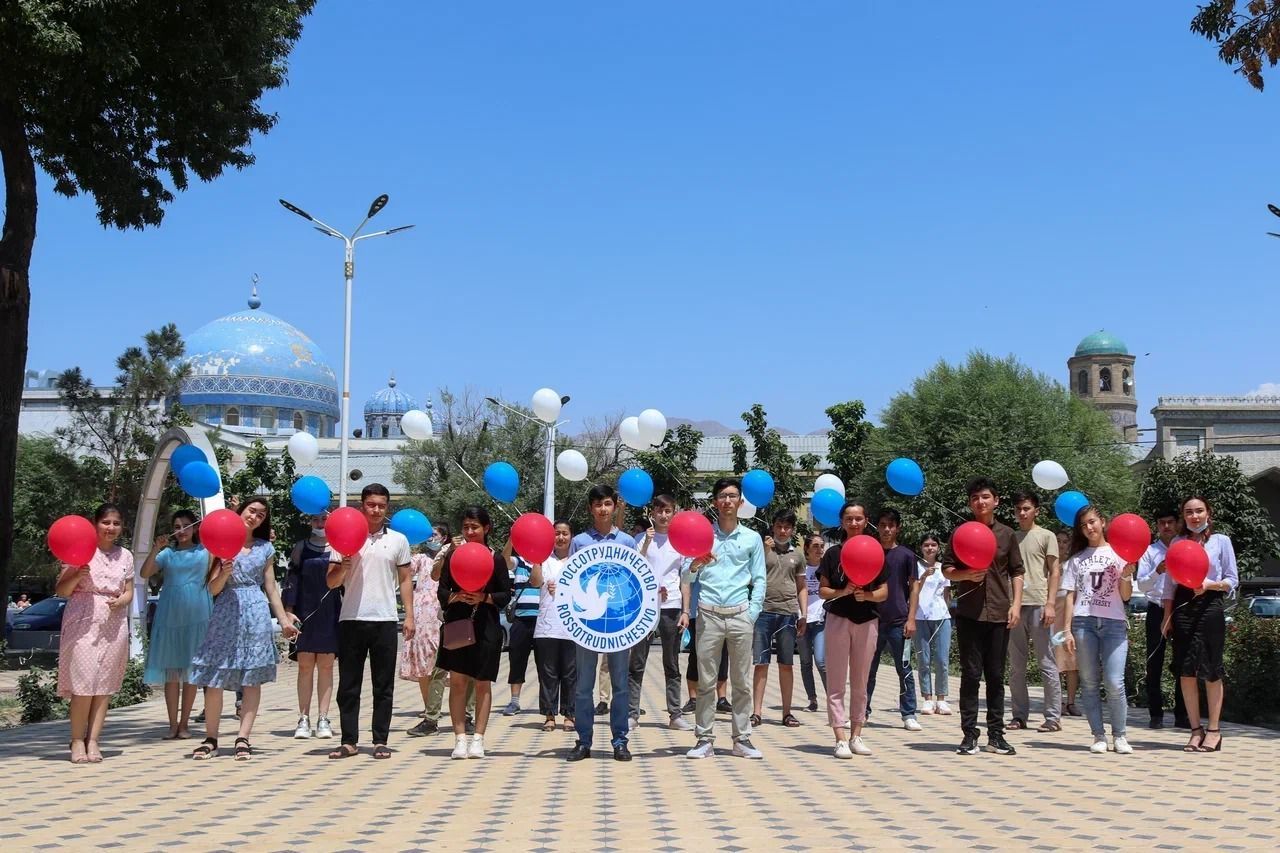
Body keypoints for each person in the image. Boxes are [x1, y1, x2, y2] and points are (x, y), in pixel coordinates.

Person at [189, 498, 298, 761]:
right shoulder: (220, 543)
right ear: (240, 511)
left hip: (256, 612)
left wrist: (283, 619)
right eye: (252, 511)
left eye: (261, 515)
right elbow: (212, 589)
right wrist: (225, 573)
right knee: (214, 676)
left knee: (251, 678)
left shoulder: (265, 548)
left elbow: (271, 587)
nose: (255, 517)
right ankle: (211, 738)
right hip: (226, 611)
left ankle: (243, 737)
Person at [325, 484, 414, 760]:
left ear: (387, 508)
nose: (376, 510)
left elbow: (405, 579)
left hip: (385, 620)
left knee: (383, 685)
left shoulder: (398, 540)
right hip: (351, 618)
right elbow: (331, 582)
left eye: (382, 506)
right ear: (361, 505)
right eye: (371, 504)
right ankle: (349, 740)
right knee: (348, 685)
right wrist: (343, 567)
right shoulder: (343, 536)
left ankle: (380, 740)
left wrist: (409, 615)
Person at [679, 478, 766, 760]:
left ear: (741, 502)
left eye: (732, 496)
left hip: (741, 615)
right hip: (708, 615)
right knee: (706, 681)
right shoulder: (702, 537)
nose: (727, 501)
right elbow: (685, 577)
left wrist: (752, 613)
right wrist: (695, 564)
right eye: (722, 496)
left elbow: (760, 580)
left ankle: (742, 739)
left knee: (741, 681)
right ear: (715, 502)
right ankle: (704, 739)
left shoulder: (752, 538)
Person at [942, 476, 1024, 757]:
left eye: (986, 497)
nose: (981, 502)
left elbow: (1016, 571)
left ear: (996, 501)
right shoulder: (961, 533)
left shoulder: (1007, 534)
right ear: (970, 503)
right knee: (970, 675)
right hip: (969, 614)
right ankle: (969, 734)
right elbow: (947, 569)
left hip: (1000, 613)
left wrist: (1016, 605)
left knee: (996, 676)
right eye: (975, 498)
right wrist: (965, 574)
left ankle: (996, 735)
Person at [56, 503, 134, 764]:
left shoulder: (126, 556)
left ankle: (94, 740)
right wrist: (78, 573)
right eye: (106, 522)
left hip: (114, 623)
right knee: (83, 685)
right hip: (83, 620)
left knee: (103, 686)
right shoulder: (81, 549)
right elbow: (62, 591)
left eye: (116, 523)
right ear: (95, 524)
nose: (111, 528)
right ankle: (77, 740)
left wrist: (123, 600)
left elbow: (129, 590)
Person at [567, 485, 638, 762]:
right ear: (590, 508)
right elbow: (572, 581)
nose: (603, 509)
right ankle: (583, 740)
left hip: (619, 624)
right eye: (597, 504)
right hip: (588, 624)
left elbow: (636, 582)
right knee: (584, 686)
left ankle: (620, 741)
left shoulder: (628, 542)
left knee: (620, 684)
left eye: (607, 503)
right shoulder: (580, 542)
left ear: (615, 506)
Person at [437, 507, 512, 760]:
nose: (470, 532)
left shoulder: (496, 558)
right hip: (459, 624)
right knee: (457, 682)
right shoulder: (454, 555)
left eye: (475, 527)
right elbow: (442, 590)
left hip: (487, 626)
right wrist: (456, 596)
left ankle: (478, 738)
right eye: (466, 527)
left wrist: (485, 597)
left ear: (486, 529)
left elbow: (505, 595)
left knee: (482, 683)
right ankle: (459, 738)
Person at [1165, 495, 1237, 754]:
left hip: (1210, 604)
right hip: (1184, 606)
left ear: (1208, 513)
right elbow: (1169, 585)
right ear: (1183, 517)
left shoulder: (1221, 542)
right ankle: (1195, 730)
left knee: (1211, 669)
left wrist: (1209, 584)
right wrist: (1166, 616)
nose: (1194, 516)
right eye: (1188, 512)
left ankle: (1214, 731)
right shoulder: (1177, 542)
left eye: (1199, 511)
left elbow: (1232, 579)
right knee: (1185, 670)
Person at [1061, 505, 1135, 754]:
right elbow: (1069, 597)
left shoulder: (1120, 553)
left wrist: (1126, 576)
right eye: (1083, 525)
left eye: (1092, 522)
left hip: (1114, 623)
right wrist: (1067, 630)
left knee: (1115, 682)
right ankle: (1098, 735)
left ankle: (1120, 735)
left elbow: (1125, 597)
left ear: (1103, 522)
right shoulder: (1076, 559)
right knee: (1090, 682)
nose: (1089, 528)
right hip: (1084, 623)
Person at [817, 501, 887, 759]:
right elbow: (823, 591)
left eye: (858, 518)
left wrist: (866, 595)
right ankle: (839, 736)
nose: (854, 523)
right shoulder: (833, 554)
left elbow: (883, 592)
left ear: (866, 520)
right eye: (849, 518)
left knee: (861, 681)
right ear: (842, 522)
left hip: (867, 621)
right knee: (836, 681)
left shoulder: (875, 551)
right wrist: (843, 592)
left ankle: (857, 734)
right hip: (838, 619)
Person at [141, 509, 213, 740]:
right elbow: (144, 572)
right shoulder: (168, 554)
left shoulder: (205, 551)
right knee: (172, 673)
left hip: (198, 613)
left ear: (195, 527)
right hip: (170, 614)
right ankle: (172, 724)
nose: (181, 530)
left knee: (190, 672)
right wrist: (155, 548)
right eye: (176, 526)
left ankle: (184, 725)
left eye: (185, 525)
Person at [630, 495, 692, 731]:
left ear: (674, 513)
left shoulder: (681, 542)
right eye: (659, 511)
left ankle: (675, 714)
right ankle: (632, 713)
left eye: (668, 511)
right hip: (644, 608)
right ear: (652, 513)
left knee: (672, 662)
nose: (664, 516)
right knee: (636, 663)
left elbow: (685, 578)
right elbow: (635, 567)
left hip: (672, 607)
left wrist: (686, 610)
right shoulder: (640, 538)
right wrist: (645, 542)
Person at [283, 514, 341, 740]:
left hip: (330, 612)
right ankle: (303, 718)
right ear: (309, 522)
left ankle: (323, 718)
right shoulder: (300, 547)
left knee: (326, 666)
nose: (320, 524)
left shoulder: (338, 548)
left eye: (324, 520)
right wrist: (288, 610)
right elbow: (291, 580)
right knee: (305, 667)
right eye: (316, 520)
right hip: (304, 612)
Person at [1008, 491, 1062, 733]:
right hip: (1015, 606)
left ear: (1036, 511)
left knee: (1046, 663)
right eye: (1019, 508)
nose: (1022, 513)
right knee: (1016, 666)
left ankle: (1052, 717)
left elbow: (1054, 571)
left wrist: (1051, 603)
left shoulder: (1046, 536)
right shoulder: (1011, 536)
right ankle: (1019, 715)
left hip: (1040, 604)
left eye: (1027, 508)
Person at [750, 510, 807, 728]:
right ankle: (756, 713)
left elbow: (802, 587)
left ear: (792, 529)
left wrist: (804, 614)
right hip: (764, 612)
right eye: (779, 526)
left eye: (787, 527)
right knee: (761, 663)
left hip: (788, 612)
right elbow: (753, 575)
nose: (783, 531)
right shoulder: (762, 549)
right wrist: (765, 548)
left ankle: (786, 713)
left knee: (786, 664)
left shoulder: (798, 555)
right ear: (772, 526)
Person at [865, 508, 920, 731]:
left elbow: (914, 587)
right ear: (877, 526)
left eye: (891, 525)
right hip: (872, 620)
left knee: (904, 668)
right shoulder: (870, 551)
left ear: (898, 528)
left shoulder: (906, 555)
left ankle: (908, 713)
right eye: (883, 524)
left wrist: (912, 618)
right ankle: (862, 711)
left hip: (899, 621)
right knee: (867, 670)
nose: (887, 529)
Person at [1135, 508, 1188, 729]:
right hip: (1157, 608)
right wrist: (1157, 571)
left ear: (1177, 523)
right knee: (1154, 662)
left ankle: (1182, 714)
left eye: (1169, 522)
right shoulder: (1149, 551)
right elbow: (1142, 584)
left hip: (1182, 608)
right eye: (1161, 523)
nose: (1166, 527)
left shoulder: (1186, 546)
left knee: (1183, 662)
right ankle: (1155, 713)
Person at [534, 520, 576, 732]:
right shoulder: (544, 559)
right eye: (557, 533)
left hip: (573, 628)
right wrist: (536, 561)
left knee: (571, 673)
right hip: (546, 626)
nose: (560, 537)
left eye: (565, 533)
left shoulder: (579, 561)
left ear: (571, 536)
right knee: (548, 673)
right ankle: (549, 714)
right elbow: (534, 582)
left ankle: (570, 714)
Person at [402, 536, 446, 737]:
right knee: (422, 661)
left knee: (441, 662)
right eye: (429, 536)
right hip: (421, 614)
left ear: (444, 537)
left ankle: (449, 708)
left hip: (442, 611)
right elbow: (404, 570)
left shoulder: (450, 556)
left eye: (435, 534)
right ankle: (429, 707)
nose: (432, 539)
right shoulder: (421, 558)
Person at [906, 532, 951, 715]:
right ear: (921, 548)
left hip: (941, 617)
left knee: (941, 660)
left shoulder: (944, 569)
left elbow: (947, 594)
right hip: (920, 617)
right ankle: (927, 698)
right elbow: (913, 590)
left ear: (938, 547)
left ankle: (941, 698)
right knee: (923, 659)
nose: (930, 548)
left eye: (933, 545)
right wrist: (924, 576)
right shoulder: (915, 567)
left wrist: (946, 610)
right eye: (926, 545)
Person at [502, 541, 542, 717]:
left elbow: (536, 582)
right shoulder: (519, 562)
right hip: (520, 620)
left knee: (545, 664)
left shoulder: (546, 562)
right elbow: (503, 561)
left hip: (543, 621)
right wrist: (512, 538)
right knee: (517, 660)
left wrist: (538, 561)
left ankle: (546, 701)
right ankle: (514, 701)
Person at [682, 574, 731, 714]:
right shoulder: (694, 555)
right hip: (696, 612)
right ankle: (693, 699)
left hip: (720, 611)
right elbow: (686, 577)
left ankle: (722, 698)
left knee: (722, 654)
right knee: (695, 656)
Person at [797, 534, 828, 712]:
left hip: (821, 620)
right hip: (802, 620)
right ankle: (812, 700)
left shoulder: (826, 568)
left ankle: (832, 699)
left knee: (821, 661)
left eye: (821, 545)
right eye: (815, 546)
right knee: (805, 662)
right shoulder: (801, 569)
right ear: (807, 549)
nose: (819, 549)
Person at [1053, 528, 1081, 716]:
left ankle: (1071, 701)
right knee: (1055, 663)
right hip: (1053, 619)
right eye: (1059, 542)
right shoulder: (1050, 566)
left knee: (1072, 662)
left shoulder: (1074, 564)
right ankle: (1057, 702)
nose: (1062, 545)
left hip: (1070, 620)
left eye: (1065, 542)